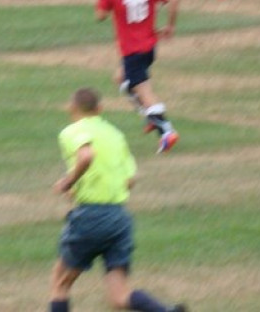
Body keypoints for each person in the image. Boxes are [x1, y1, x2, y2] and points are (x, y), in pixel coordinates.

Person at [49, 87, 187, 312]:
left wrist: (69, 182)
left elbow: (86, 156)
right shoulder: (115, 134)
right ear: (100, 109)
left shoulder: (72, 131)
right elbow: (130, 180)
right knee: (120, 297)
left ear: (71, 107)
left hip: (90, 216)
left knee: (60, 284)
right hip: (119, 218)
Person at [97, 0, 180, 154]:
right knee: (120, 78)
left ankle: (166, 131)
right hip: (149, 47)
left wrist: (106, 7)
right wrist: (170, 26)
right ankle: (149, 115)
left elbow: (100, 15)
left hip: (132, 49)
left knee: (144, 91)